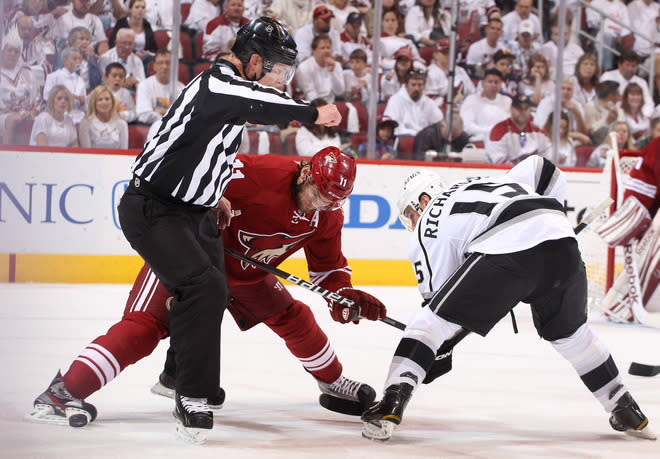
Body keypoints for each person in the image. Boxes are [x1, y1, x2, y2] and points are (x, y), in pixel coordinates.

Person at [30, 147, 384, 427]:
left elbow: (327, 267)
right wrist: (209, 203)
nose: (320, 205)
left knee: (295, 317)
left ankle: (332, 381)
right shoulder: (259, 174)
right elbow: (191, 176)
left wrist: (342, 294)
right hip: (193, 257)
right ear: (306, 173)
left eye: (331, 201)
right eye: (317, 195)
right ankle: (62, 393)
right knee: (144, 329)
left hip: (247, 274)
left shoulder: (327, 214)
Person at [114, 17, 339, 442]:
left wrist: (214, 193)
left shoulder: (228, 98)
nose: (278, 80)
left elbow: (206, 150)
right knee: (204, 288)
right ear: (253, 60)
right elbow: (254, 104)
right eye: (276, 70)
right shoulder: (218, 83)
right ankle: (192, 394)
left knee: (214, 287)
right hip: (156, 208)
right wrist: (313, 113)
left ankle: (175, 375)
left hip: (190, 210)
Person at [360, 157, 656, 442]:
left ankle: (391, 403)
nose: (413, 222)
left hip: (507, 249)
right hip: (562, 242)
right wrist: (548, 220)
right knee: (572, 335)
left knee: (428, 322)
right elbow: (546, 169)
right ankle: (624, 406)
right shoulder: (486, 182)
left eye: (411, 213)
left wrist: (433, 356)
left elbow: (437, 314)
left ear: (424, 200)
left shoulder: (427, 226)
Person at [0, 28, 41, 145]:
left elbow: (37, 98)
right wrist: (15, 113)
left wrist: (33, 111)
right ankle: (6, 156)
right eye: (9, 50)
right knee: (12, 120)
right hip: (3, 116)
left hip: (25, 113)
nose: (13, 54)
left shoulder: (26, 73)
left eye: (16, 52)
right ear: (3, 51)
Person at [486, 93, 552, 164]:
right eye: (519, 108)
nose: (523, 112)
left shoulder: (538, 131)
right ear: (511, 109)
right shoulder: (499, 130)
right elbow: (498, 160)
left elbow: (548, 154)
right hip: (504, 173)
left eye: (526, 108)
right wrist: (521, 172)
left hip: (531, 173)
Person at [383, 69, 444, 137]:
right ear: (406, 86)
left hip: (425, 139)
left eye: (420, 85)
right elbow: (394, 127)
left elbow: (439, 123)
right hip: (403, 139)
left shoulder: (429, 103)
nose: (417, 88)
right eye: (413, 85)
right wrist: (415, 133)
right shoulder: (395, 100)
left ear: (424, 86)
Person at [134, 50, 185, 125]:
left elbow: (184, 113)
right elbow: (143, 115)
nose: (164, 66)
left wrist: (161, 111)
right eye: (160, 63)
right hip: (152, 129)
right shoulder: (144, 85)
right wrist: (168, 117)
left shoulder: (181, 87)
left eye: (168, 63)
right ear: (154, 66)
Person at [460, 68, 511, 139]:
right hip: (478, 140)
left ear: (501, 84)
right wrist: (492, 130)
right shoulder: (471, 99)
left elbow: (511, 124)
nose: (493, 85)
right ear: (482, 83)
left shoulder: (507, 100)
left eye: (496, 82)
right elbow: (466, 126)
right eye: (490, 82)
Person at [601, 50, 654, 118]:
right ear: (619, 65)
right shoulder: (608, 76)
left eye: (633, 66)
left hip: (637, 119)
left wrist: (642, 117)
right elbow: (606, 102)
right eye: (627, 65)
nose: (630, 69)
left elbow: (649, 103)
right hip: (614, 117)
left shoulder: (641, 82)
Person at [108, 0, 157, 73]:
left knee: (153, 60)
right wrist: (133, 52)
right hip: (126, 55)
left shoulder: (147, 24)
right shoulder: (122, 23)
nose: (140, 10)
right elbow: (113, 43)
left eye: (143, 7)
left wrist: (147, 52)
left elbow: (153, 47)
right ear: (130, 9)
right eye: (137, 7)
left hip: (144, 57)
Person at [295, 34, 345, 104]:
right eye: (322, 48)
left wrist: (332, 72)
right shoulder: (304, 66)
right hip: (310, 105)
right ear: (314, 51)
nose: (326, 51)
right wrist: (325, 109)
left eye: (328, 48)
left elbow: (339, 91)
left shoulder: (336, 65)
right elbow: (310, 93)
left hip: (332, 104)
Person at [424, 38, 475, 107]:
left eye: (450, 52)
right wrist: (450, 109)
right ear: (435, 54)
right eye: (444, 52)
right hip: (442, 111)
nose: (448, 55)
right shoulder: (430, 72)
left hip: (464, 108)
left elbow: (472, 92)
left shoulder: (460, 70)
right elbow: (431, 98)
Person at [43, 46, 86, 124]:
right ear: (64, 60)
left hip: (78, 116)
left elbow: (82, 105)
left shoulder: (81, 80)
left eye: (79, 59)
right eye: (74, 59)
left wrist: (82, 101)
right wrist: (66, 97)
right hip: (58, 116)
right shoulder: (54, 76)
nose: (78, 61)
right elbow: (47, 97)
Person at [583, 80, 625, 145]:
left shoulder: (619, 111)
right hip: (599, 146)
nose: (620, 97)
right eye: (618, 94)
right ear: (610, 96)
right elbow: (589, 132)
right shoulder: (590, 107)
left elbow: (625, 130)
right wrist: (607, 121)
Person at [621, 82, 650, 147]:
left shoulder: (643, 114)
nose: (636, 97)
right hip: (627, 148)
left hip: (643, 147)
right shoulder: (621, 114)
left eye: (638, 94)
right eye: (633, 94)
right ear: (626, 97)